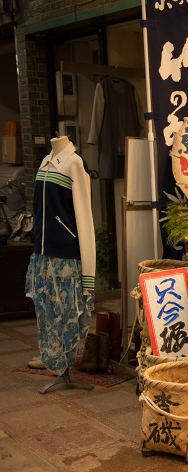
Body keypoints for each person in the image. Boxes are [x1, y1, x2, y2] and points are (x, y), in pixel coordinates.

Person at [25, 135, 96, 386]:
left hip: (66, 256)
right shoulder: (46, 162)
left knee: (67, 315)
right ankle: (54, 360)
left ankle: (65, 363)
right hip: (43, 254)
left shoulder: (74, 163)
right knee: (47, 313)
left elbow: (84, 216)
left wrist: (88, 270)